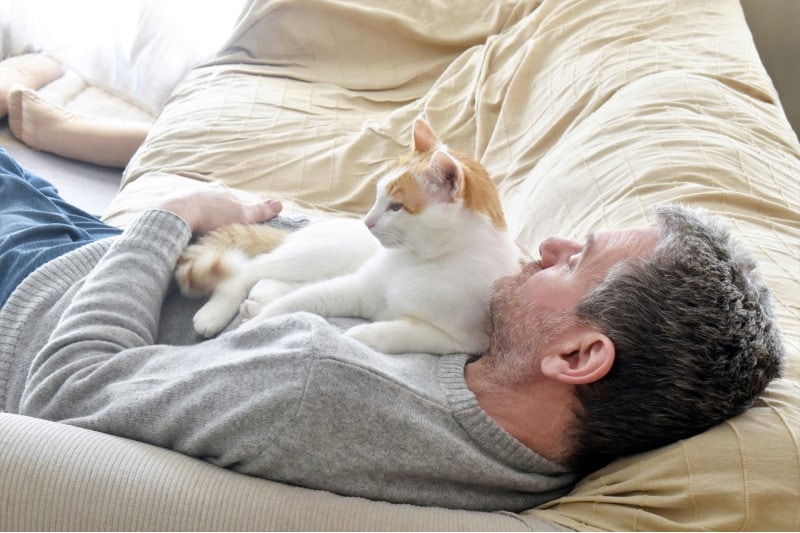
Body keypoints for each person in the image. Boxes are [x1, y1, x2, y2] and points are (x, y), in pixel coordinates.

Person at [0, 146, 784, 512]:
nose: (545, 244)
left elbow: (68, 386)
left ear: (580, 355)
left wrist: (170, 219)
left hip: (46, 295)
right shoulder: (534, 427)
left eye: (573, 260)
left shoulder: (323, 385)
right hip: (185, 260)